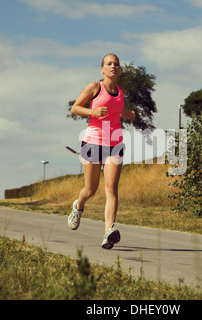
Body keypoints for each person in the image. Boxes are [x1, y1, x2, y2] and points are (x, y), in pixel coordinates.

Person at [68, 53, 135, 249]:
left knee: (111, 188)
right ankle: (78, 206)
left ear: (119, 70)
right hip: (92, 142)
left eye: (116, 64)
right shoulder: (94, 87)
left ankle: (108, 231)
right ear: (102, 69)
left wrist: (125, 114)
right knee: (91, 189)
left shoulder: (121, 92)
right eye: (109, 63)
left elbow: (112, 111)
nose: (113, 66)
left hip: (115, 143)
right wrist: (92, 112)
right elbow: (75, 108)